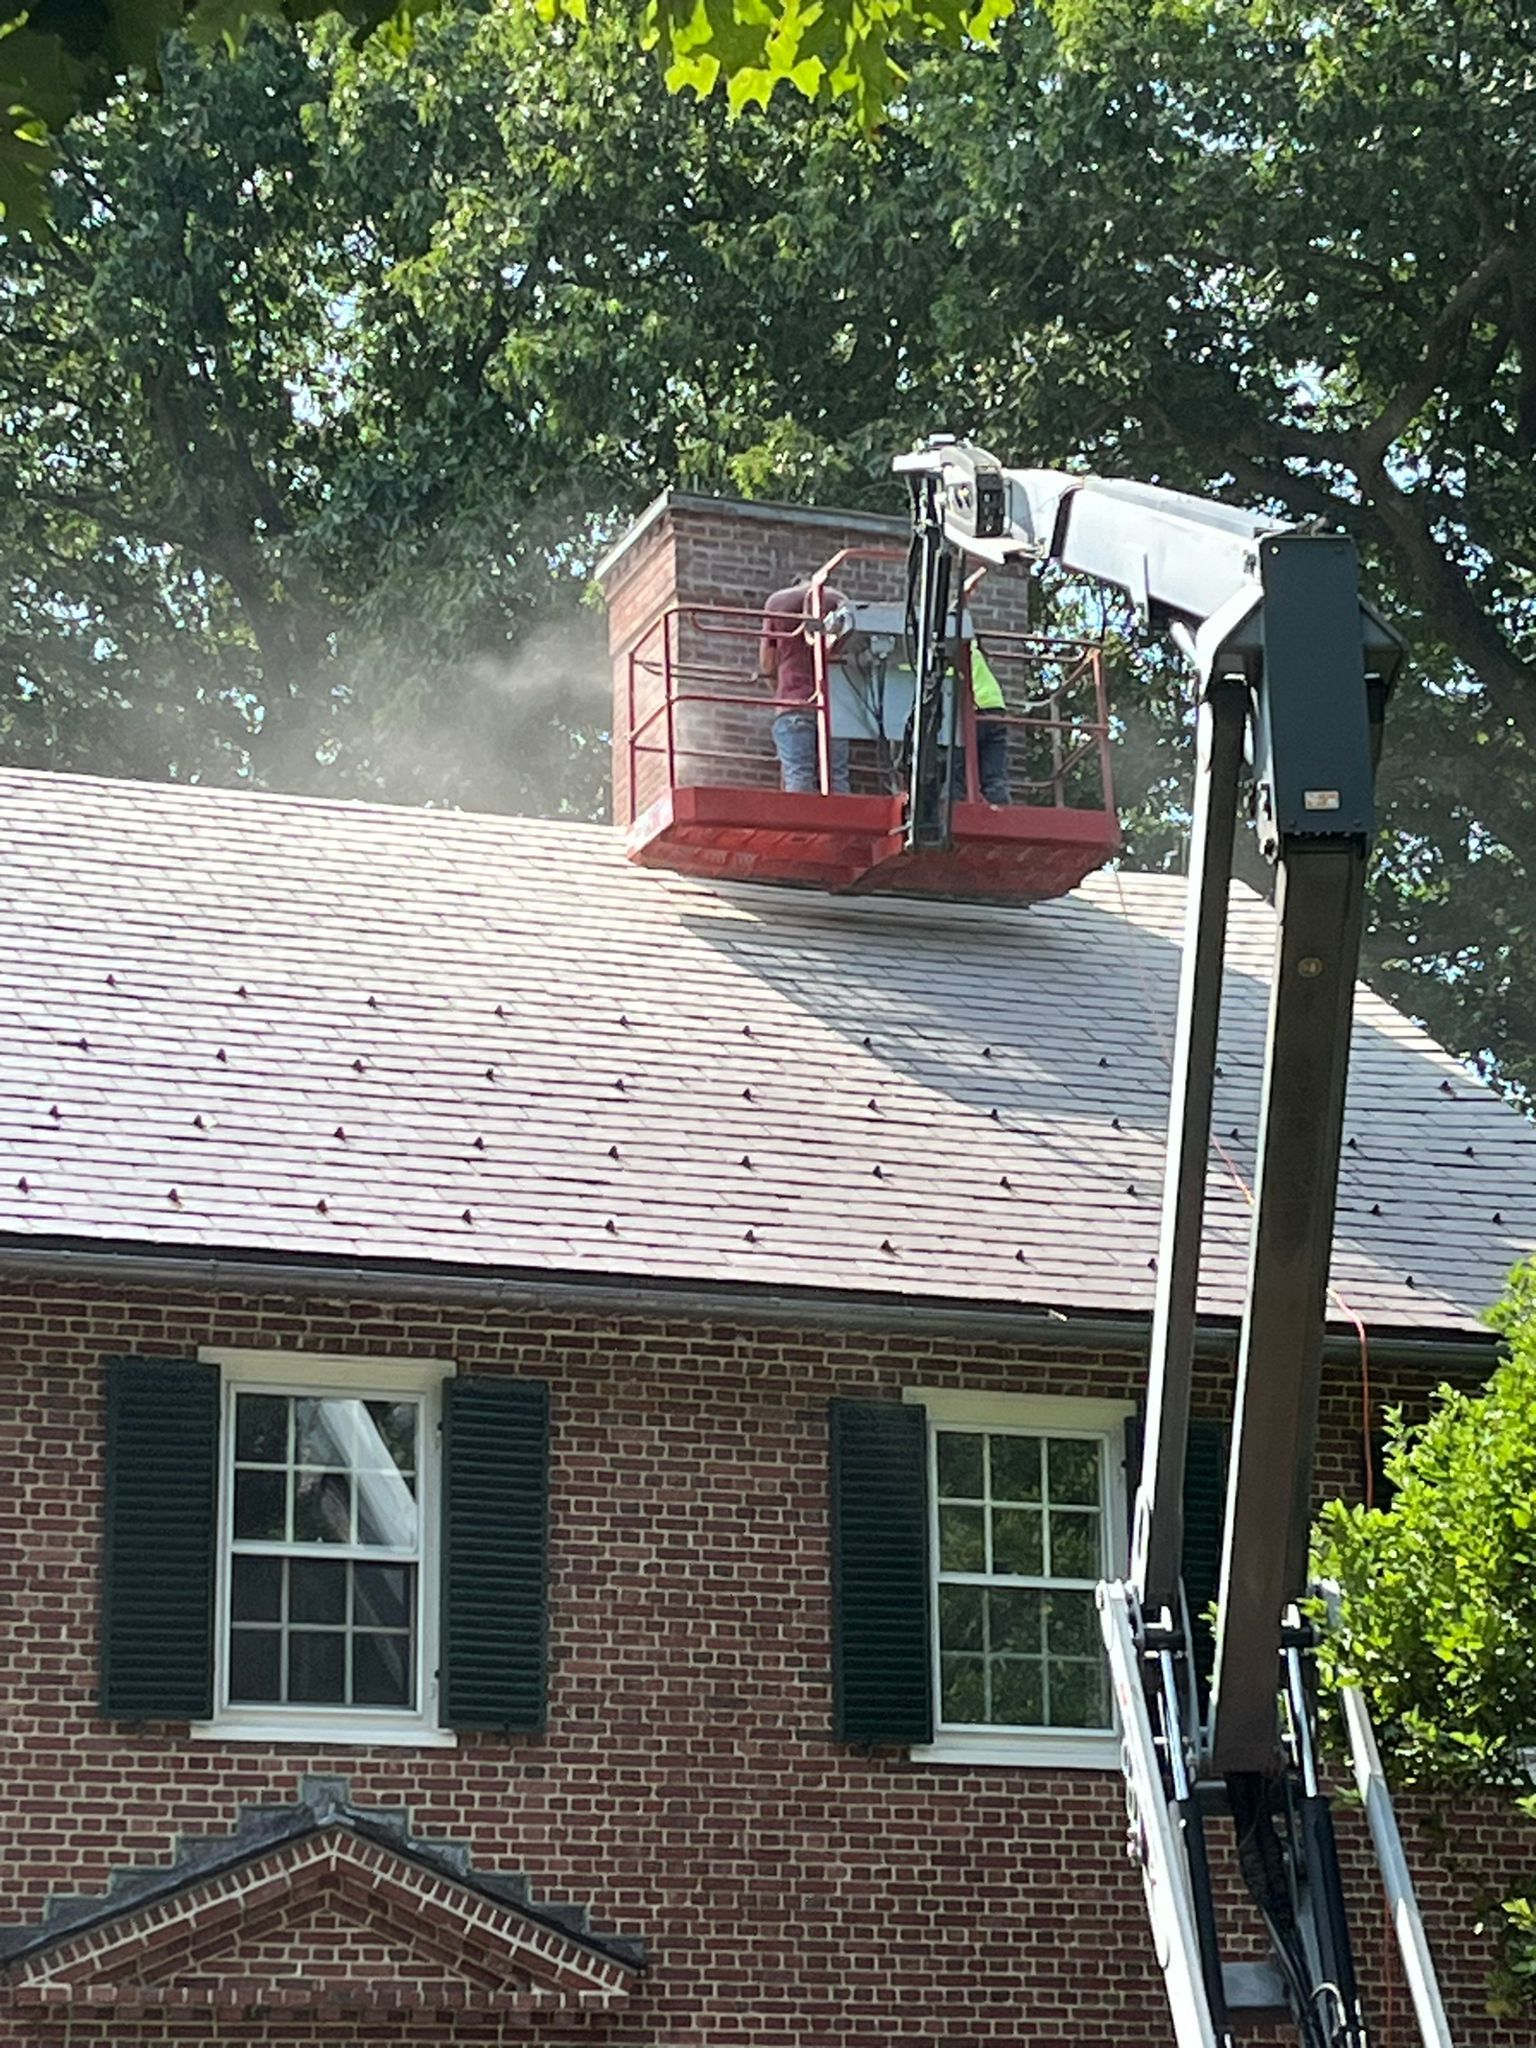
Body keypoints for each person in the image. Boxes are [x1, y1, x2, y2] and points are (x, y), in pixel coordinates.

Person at [755, 577, 852, 795]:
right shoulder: (839, 600)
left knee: (798, 774)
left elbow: (767, 664)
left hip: (793, 703)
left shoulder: (777, 602)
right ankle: (841, 825)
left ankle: (801, 829)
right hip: (836, 709)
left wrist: (780, 697)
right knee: (837, 777)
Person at [968, 644, 1012, 805]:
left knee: (955, 764)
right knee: (994, 776)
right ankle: (1000, 808)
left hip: (973, 707)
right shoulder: (972, 651)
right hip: (995, 707)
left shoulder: (945, 653)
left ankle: (955, 802)